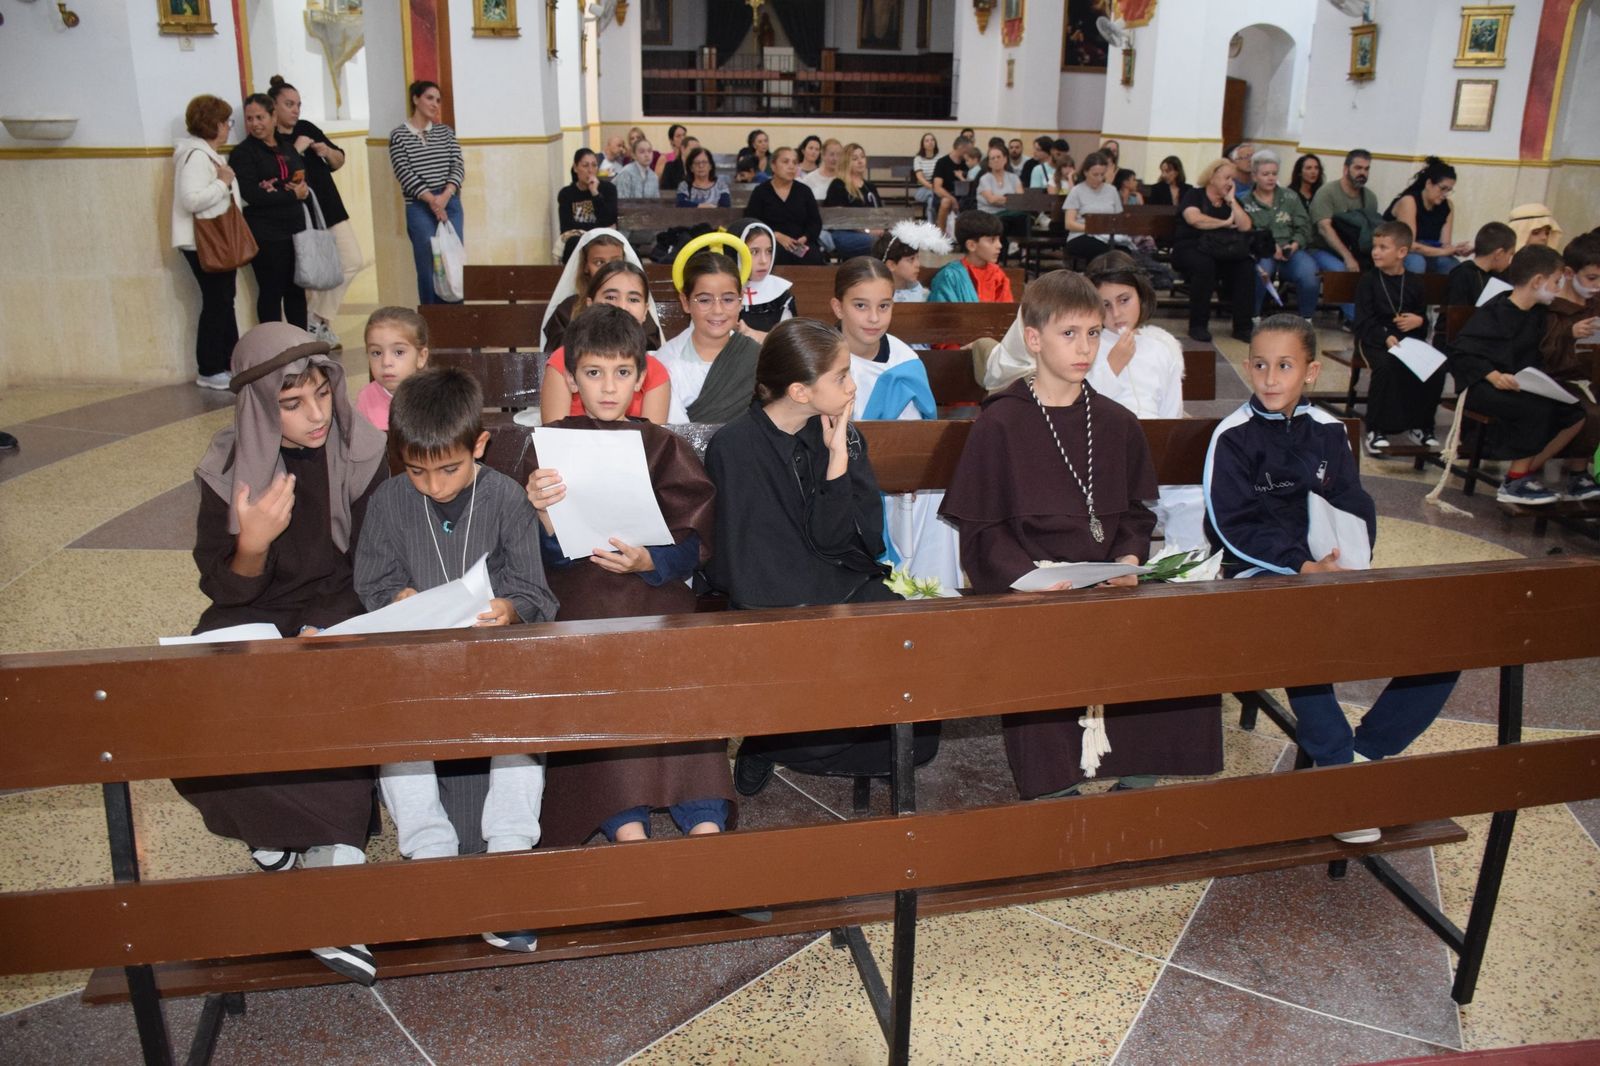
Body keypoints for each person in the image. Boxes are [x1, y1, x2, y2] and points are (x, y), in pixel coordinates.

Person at [941, 270, 1219, 798]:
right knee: (1039, 640)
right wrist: (1029, 578)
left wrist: (1130, 560)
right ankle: (1054, 782)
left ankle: (1141, 766)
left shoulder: (1116, 422)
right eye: (1069, 333)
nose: (1085, 347)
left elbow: (1134, 514)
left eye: (1093, 333)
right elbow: (982, 530)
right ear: (1033, 338)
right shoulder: (1000, 424)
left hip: (1109, 577)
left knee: (1181, 628)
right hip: (1031, 583)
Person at [179, 321, 388, 985]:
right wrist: (253, 543)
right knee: (202, 694)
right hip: (254, 610)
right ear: (259, 409)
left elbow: (374, 562)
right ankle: (271, 831)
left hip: (341, 605)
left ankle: (331, 869)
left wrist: (328, 621)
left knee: (328, 689)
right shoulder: (227, 470)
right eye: (292, 404)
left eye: (323, 394)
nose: (317, 415)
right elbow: (223, 587)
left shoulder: (364, 451)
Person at [1202, 314, 1458, 842]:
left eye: (1285, 366)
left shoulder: (1329, 431)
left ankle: (1365, 753)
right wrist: (1302, 566)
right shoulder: (1232, 437)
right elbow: (1231, 524)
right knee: (1302, 636)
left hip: (1331, 572)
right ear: (1248, 367)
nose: (1270, 377)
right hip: (1260, 575)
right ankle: (1339, 773)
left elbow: (1353, 502)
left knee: (1445, 646)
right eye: (1260, 365)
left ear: (1311, 372)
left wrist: (1351, 556)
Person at [354, 367, 555, 952]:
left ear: (479, 445)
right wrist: (397, 599)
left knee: (522, 719)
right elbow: (372, 582)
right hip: (415, 665)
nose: (434, 485)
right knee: (391, 721)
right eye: (417, 471)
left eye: (448, 469)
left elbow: (534, 591)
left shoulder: (507, 498)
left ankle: (510, 854)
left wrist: (508, 609)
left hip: (495, 662)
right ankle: (429, 854)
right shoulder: (389, 502)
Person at [526, 306, 734, 846]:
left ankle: (703, 813)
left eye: (622, 372)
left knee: (681, 668)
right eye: (593, 373)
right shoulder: (549, 445)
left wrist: (650, 561)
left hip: (654, 591)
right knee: (603, 663)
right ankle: (624, 818)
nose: (608, 387)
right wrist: (543, 516)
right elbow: (531, 554)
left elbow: (695, 541)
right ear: (572, 379)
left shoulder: (662, 444)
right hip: (581, 592)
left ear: (641, 378)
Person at [708, 319, 940, 795]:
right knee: (842, 684)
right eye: (841, 376)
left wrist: (837, 461)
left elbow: (858, 541)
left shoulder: (843, 437)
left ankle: (773, 744)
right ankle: (779, 740)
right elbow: (744, 563)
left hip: (840, 585)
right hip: (773, 603)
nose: (852, 386)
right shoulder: (735, 446)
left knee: (919, 695)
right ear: (800, 391)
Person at [832, 257, 958, 588]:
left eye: (884, 306)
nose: (874, 318)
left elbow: (924, 431)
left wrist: (911, 472)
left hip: (906, 484)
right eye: (861, 305)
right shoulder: (821, 359)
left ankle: (930, 592)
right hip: (842, 479)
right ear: (838, 307)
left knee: (940, 497)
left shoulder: (905, 360)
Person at [1449, 245, 1596, 505]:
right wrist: (1493, 375)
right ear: (1537, 281)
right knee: (1536, 409)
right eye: (1556, 281)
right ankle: (1515, 482)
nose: (1559, 288)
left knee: (1575, 414)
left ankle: (1521, 473)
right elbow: (1462, 353)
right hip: (1482, 385)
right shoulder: (1496, 311)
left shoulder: (1538, 313)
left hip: (1519, 384)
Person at [1086, 251, 1206, 550]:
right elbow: (1079, 408)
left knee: (1193, 497)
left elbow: (1171, 415)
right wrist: (1111, 366)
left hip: (1156, 460)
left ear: (1141, 295)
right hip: (1105, 460)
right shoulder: (1086, 346)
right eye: (1105, 305)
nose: (1116, 313)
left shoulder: (1162, 346)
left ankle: (1185, 569)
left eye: (1124, 300)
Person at [269, 76, 360, 346]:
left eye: (298, 104)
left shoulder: (307, 127)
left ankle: (317, 317)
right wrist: (295, 151)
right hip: (299, 215)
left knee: (352, 260)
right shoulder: (272, 140)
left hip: (329, 208)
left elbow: (339, 160)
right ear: (273, 106)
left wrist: (327, 150)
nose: (295, 110)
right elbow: (278, 175)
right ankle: (317, 327)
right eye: (289, 104)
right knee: (311, 273)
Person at [539, 260, 671, 425]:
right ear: (590, 304)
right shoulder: (563, 360)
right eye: (610, 297)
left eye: (633, 299)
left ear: (645, 311)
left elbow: (652, 437)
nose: (622, 306)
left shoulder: (655, 372)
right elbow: (553, 433)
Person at [171, 93, 244, 390]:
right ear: (213, 124)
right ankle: (210, 368)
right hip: (203, 241)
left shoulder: (207, 154)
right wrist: (222, 182)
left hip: (216, 239)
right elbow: (191, 200)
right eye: (226, 122)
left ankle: (229, 362)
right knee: (217, 303)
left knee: (224, 301)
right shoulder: (196, 156)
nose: (228, 128)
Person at [1355, 221, 1443, 455]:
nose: (1375, 252)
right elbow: (1363, 321)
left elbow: (1423, 321)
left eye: (1383, 247)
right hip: (1374, 339)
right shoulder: (1369, 281)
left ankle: (1421, 425)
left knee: (1435, 367)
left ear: (1402, 252)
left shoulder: (1415, 282)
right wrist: (1385, 336)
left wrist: (1419, 321)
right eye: (1375, 246)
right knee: (1386, 365)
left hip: (1408, 341)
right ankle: (1376, 429)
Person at [233, 93, 310, 329]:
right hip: (266, 233)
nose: (255, 124)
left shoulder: (286, 147)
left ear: (273, 116)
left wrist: (297, 189)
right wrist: (289, 194)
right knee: (271, 291)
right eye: (250, 119)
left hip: (295, 228)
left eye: (260, 117)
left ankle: (300, 342)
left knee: (296, 290)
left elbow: (297, 177)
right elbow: (252, 194)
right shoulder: (244, 153)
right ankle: (273, 345)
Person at [658, 250, 762, 422]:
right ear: (685, 302)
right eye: (705, 300)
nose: (718, 310)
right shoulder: (667, 362)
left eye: (728, 300)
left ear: (740, 300)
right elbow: (673, 434)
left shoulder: (756, 357)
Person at [389, 81, 464, 305]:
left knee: (452, 261)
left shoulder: (445, 132)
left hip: (449, 202)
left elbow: (458, 166)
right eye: (430, 98)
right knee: (428, 264)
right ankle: (432, 318)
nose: (435, 104)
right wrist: (432, 200)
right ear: (415, 99)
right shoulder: (399, 135)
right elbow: (404, 172)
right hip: (419, 205)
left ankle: (456, 317)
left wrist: (445, 196)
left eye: (438, 100)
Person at [1173, 157, 1256, 343]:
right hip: (1190, 247)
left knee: (1246, 266)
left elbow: (1245, 226)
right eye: (1227, 178)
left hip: (1222, 251)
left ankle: (1243, 327)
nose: (1230, 183)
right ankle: (1198, 325)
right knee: (1204, 265)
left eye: (1233, 179)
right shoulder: (1194, 195)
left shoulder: (1231, 201)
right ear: (1212, 177)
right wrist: (1224, 223)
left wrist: (1232, 201)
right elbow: (1194, 219)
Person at [1537, 232, 1600, 452]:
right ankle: (1574, 468)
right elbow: (1541, 353)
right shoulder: (1551, 307)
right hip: (1559, 381)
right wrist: (1569, 333)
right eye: (1592, 278)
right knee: (1590, 413)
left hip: (1593, 378)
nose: (1598, 285)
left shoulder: (1596, 304)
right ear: (1569, 273)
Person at [1239, 148, 1321, 319]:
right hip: (1261, 253)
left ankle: (1307, 319)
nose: (1271, 178)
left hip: (1291, 250)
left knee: (1310, 273)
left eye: (1274, 173)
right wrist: (1269, 247)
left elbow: (1304, 226)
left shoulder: (1290, 197)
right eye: (1265, 174)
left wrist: (1294, 244)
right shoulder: (1244, 200)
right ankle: (1253, 317)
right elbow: (1245, 232)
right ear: (1254, 176)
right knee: (1260, 273)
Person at [1309, 149, 1379, 321]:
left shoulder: (1370, 197)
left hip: (1357, 249)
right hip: (1321, 248)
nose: (1363, 173)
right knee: (1342, 270)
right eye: (1358, 168)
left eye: (1366, 169)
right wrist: (1347, 257)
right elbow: (1324, 229)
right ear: (1346, 169)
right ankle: (1359, 320)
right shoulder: (1327, 192)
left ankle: (1376, 316)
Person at [541, 229, 628, 352]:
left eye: (616, 262)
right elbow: (558, 354)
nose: (608, 269)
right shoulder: (567, 309)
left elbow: (649, 350)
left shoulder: (635, 304)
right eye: (599, 262)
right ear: (586, 266)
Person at [1384, 156, 1472, 275]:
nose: (1445, 194)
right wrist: (1443, 252)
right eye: (1442, 188)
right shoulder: (1409, 201)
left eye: (1449, 190)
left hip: (1429, 250)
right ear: (1429, 183)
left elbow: (1445, 244)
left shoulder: (1448, 206)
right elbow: (1409, 245)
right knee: (1416, 262)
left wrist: (1455, 249)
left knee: (1453, 266)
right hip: (1399, 249)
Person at [747, 147, 824, 265]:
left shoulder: (804, 191)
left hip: (799, 243)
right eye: (785, 162)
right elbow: (752, 222)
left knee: (813, 257)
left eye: (795, 162)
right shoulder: (761, 192)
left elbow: (815, 222)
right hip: (770, 241)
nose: (791, 166)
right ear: (773, 166)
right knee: (777, 255)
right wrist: (775, 235)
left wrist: (805, 237)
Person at [357, 306, 430, 432]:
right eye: (376, 353)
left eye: (399, 352)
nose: (386, 362)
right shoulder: (365, 398)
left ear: (421, 357)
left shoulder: (436, 398)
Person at [732, 219, 798, 341]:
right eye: (754, 252)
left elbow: (789, 342)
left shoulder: (780, 293)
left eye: (769, 251)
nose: (764, 260)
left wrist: (756, 335)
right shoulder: (719, 292)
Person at [929, 211, 1013, 303]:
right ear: (971, 245)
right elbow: (943, 310)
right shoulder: (950, 276)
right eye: (992, 240)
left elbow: (1006, 309)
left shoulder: (997, 275)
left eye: (999, 239)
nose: (999, 245)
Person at [558, 148, 619, 263]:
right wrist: (599, 228)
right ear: (575, 168)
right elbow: (567, 227)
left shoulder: (608, 189)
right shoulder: (566, 194)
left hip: (604, 239)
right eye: (585, 166)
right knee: (573, 243)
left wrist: (595, 193)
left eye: (594, 165)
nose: (590, 170)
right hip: (578, 241)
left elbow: (609, 219)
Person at [822, 143, 883, 259]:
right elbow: (839, 218)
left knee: (897, 239)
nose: (860, 161)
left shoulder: (870, 187)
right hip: (844, 232)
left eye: (862, 157)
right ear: (846, 162)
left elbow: (880, 213)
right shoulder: (838, 185)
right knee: (877, 242)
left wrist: (881, 229)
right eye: (854, 159)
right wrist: (867, 231)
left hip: (872, 232)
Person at [1443, 221, 1516, 316]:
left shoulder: (1500, 274)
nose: (1510, 259)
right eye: (1511, 254)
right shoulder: (1462, 274)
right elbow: (1455, 314)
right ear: (1499, 254)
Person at [1062, 151, 1122, 262]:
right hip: (1081, 234)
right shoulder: (1077, 191)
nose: (1099, 179)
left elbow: (1118, 218)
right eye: (1095, 175)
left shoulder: (1112, 190)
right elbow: (1069, 223)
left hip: (1107, 235)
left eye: (1102, 174)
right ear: (1086, 172)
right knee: (1100, 249)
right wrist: (1093, 228)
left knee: (1124, 250)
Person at [874, 220, 952, 304]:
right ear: (891, 265)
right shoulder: (875, 296)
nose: (918, 264)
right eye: (911, 259)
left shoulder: (921, 294)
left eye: (917, 258)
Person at [977, 144, 1026, 251]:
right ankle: (1005, 249)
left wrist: (1001, 198)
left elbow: (1020, 199)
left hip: (1011, 213)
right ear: (989, 163)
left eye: (998, 157)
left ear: (1005, 159)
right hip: (990, 214)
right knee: (1002, 222)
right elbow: (991, 200)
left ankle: (1018, 247)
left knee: (1024, 217)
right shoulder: (985, 179)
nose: (996, 160)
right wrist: (1010, 199)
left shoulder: (1014, 177)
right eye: (992, 158)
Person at [931, 135, 972, 233]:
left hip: (963, 195)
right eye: (968, 149)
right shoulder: (942, 162)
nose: (969, 152)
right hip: (946, 194)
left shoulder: (967, 164)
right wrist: (952, 199)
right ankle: (941, 233)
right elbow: (937, 187)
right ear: (960, 147)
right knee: (946, 202)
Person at [911, 132, 941, 219]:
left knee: (931, 199)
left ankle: (930, 224)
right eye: (927, 141)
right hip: (922, 190)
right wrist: (934, 188)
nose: (930, 142)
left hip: (937, 188)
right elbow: (920, 178)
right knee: (933, 194)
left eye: (932, 140)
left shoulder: (940, 158)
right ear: (923, 145)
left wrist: (937, 188)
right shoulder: (918, 159)